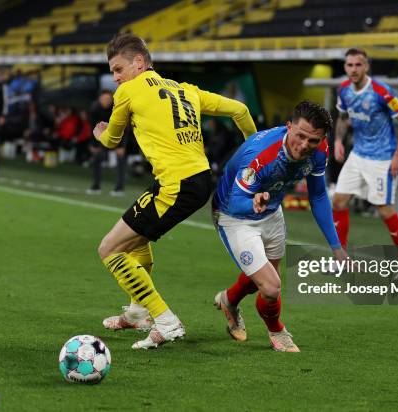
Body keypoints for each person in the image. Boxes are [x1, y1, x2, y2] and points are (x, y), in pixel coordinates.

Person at [93, 34, 257, 349]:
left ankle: (166, 321)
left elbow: (112, 140)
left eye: (118, 69)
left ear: (138, 63)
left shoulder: (128, 91)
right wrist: (257, 159)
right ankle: (137, 311)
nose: (115, 78)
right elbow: (240, 110)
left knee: (110, 249)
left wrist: (99, 133)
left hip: (175, 185)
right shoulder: (185, 90)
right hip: (196, 179)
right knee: (136, 238)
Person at [212, 101, 347, 352]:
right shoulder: (262, 154)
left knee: (263, 281)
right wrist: (253, 201)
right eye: (300, 136)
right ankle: (277, 332)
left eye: (313, 141)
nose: (305, 145)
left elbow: (317, 197)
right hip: (234, 214)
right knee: (272, 287)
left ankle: (228, 301)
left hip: (272, 211)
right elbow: (236, 199)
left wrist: (336, 246)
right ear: (288, 127)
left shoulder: (320, 150)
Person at [332, 48, 398, 280]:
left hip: (382, 159)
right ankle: (341, 260)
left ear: (366, 67)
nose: (353, 70)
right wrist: (338, 140)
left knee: (384, 210)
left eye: (358, 65)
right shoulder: (344, 91)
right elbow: (343, 117)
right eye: (349, 65)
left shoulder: (381, 92)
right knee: (338, 201)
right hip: (357, 155)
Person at [87, 90, 128, 196]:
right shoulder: (94, 109)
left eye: (108, 99)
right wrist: (94, 144)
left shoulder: (117, 108)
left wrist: (121, 145)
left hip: (118, 135)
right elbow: (92, 127)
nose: (106, 101)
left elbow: (124, 126)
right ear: (99, 99)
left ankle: (119, 188)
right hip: (102, 136)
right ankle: (96, 186)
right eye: (104, 99)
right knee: (97, 157)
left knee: (120, 159)